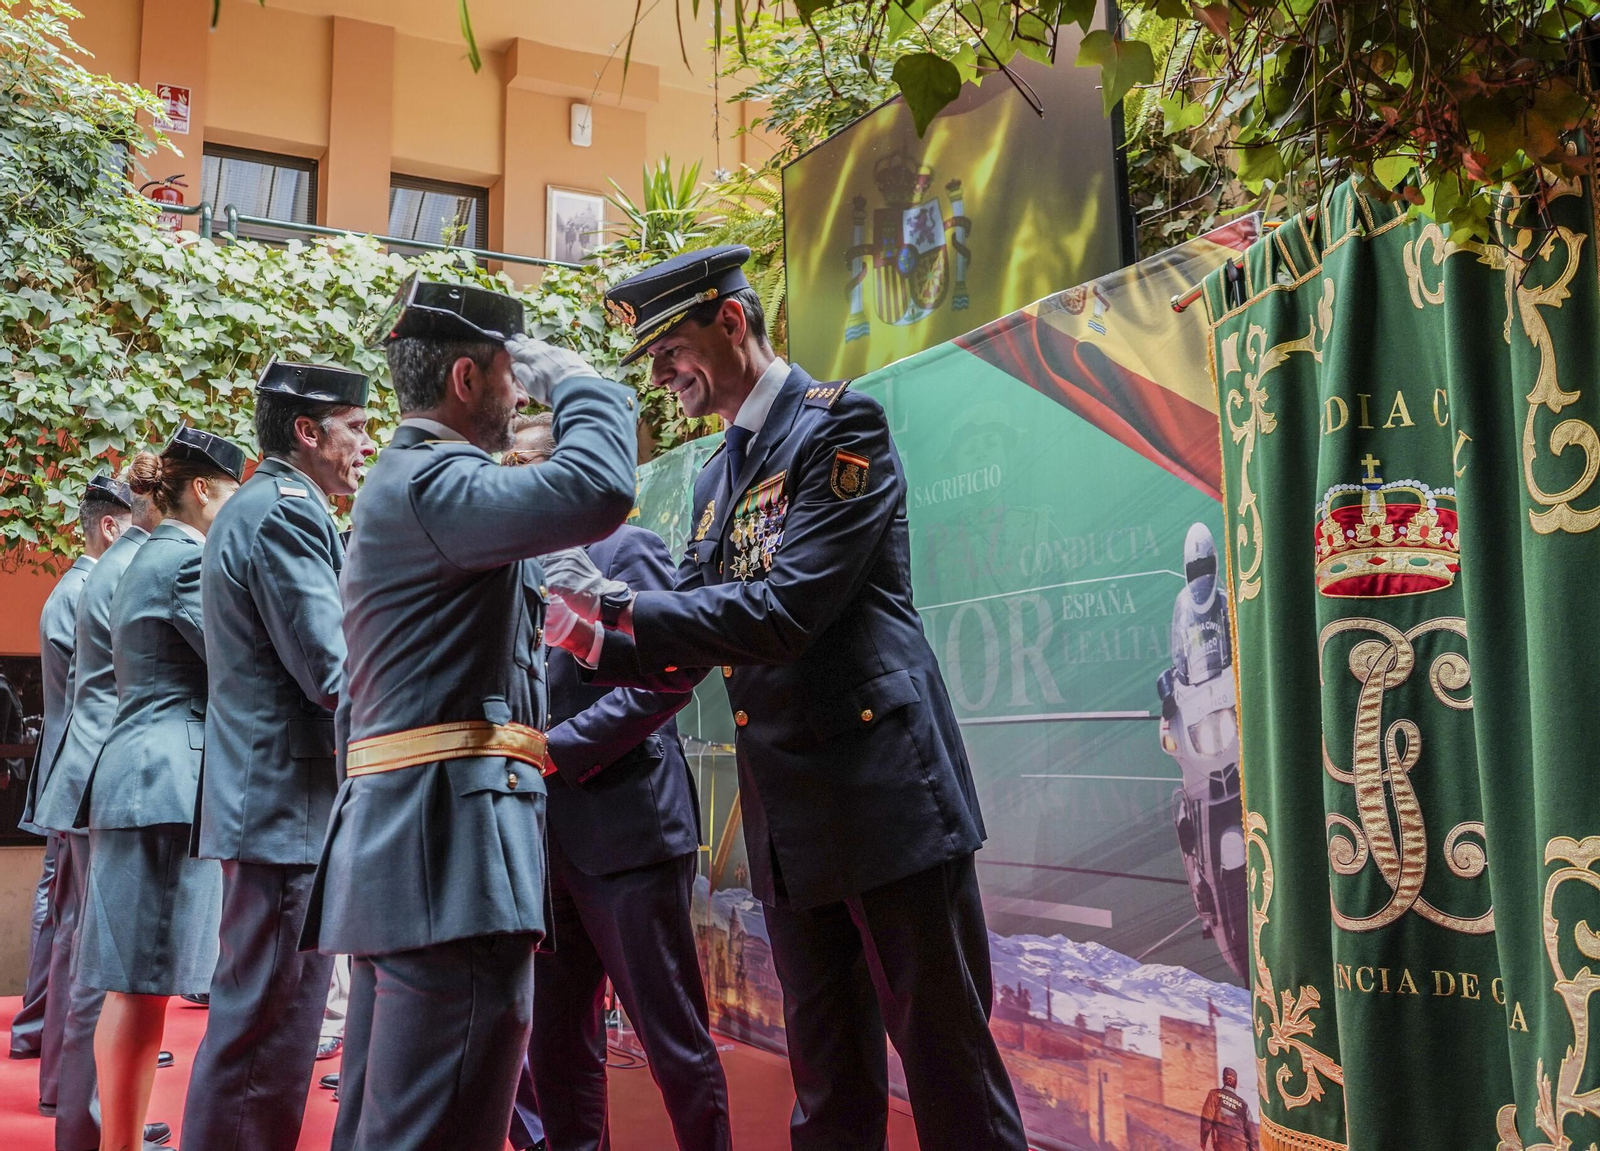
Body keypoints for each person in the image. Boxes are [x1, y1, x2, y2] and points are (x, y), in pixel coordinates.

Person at [547, 245, 1028, 1151]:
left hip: (883, 801)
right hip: (791, 821)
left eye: (670, 350)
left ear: (731, 321)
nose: (661, 375)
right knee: (826, 1082)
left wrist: (621, 607)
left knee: (948, 1069)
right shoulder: (713, 474)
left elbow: (787, 610)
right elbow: (694, 631)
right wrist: (594, 640)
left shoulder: (841, 427)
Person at [299, 276, 637, 1151]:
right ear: (466, 378)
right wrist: (582, 382)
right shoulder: (437, 480)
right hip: (449, 858)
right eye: (513, 374)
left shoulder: (410, 482)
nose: (521, 394)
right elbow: (601, 485)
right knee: (441, 1127)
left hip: (416, 848)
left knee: (389, 1127)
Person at [515, 413, 733, 1151]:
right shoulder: (514, 567)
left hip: (627, 827)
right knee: (555, 1042)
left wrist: (559, 749)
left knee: (671, 1035)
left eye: (523, 463)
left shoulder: (625, 548)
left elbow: (668, 676)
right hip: (543, 838)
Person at [181, 361, 373, 1151]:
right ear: (307, 431)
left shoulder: (265, 505)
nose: (366, 443)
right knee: (268, 1030)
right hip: (284, 805)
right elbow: (333, 672)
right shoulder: (286, 511)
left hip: (272, 800)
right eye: (355, 427)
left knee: (268, 1025)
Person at [75, 427, 244, 1151]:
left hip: (143, 776)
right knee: (140, 985)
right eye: (233, 492)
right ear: (202, 490)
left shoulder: (146, 554)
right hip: (166, 782)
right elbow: (236, 662)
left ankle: (117, 1139)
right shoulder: (186, 559)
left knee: (133, 985)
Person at [32, 476, 172, 1151]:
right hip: (102, 774)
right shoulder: (117, 573)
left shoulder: (101, 574)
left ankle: (80, 1109)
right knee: (97, 960)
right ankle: (89, 1119)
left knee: (84, 951)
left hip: (89, 773)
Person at [13, 475, 130, 1088]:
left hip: (69, 771)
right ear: (109, 527)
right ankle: (58, 1050)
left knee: (62, 913)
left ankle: (47, 1038)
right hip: (79, 774)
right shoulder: (87, 591)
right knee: (70, 919)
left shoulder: (74, 588)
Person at [1200, 1067, 1257, 1151]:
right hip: (1240, 1144)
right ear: (1236, 1084)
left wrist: (1203, 1141)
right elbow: (1252, 1133)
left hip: (1222, 1141)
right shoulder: (1243, 1104)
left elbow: (1206, 1119)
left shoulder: (1215, 1094)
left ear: (1223, 1080)